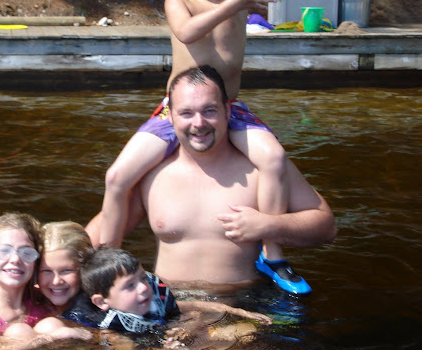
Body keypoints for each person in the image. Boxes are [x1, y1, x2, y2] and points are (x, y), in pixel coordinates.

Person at [97, 0, 308, 294]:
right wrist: (237, 4)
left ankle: (272, 255)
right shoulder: (180, 0)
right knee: (116, 177)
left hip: (226, 106)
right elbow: (187, 32)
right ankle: (105, 261)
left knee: (273, 159)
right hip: (174, 110)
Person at [88, 66, 336, 293]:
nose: (199, 123)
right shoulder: (150, 175)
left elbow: (326, 227)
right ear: (170, 116)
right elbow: (97, 238)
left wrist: (269, 225)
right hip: (169, 311)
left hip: (246, 308)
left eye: (210, 111)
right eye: (186, 113)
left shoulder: (262, 168)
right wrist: (55, 264)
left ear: (228, 111)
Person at [62, 247, 271, 345]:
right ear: (102, 301)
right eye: (130, 286)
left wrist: (235, 310)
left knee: (247, 332)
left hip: (162, 333)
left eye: (143, 279)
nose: (143, 288)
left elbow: (188, 305)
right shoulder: (110, 329)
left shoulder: (153, 294)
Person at [0, 212, 89, 350]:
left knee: (50, 324)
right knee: (19, 332)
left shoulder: (46, 297)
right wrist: (52, 338)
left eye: (26, 252)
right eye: (4, 250)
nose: (15, 259)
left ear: (35, 262)